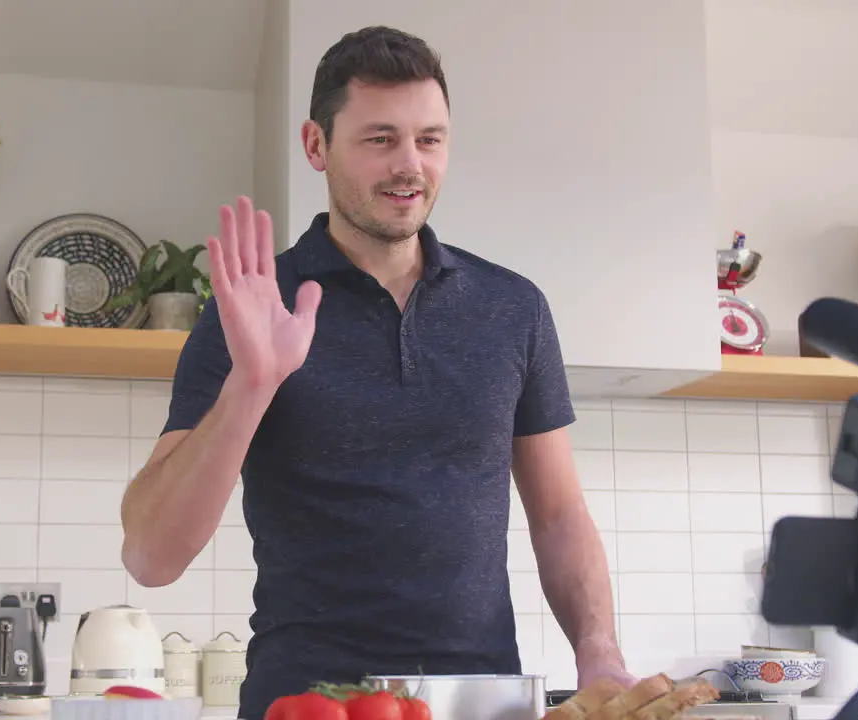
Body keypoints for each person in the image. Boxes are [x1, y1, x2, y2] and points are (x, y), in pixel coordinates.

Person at [120, 25, 634, 720]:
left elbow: (559, 513)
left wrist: (599, 651)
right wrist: (252, 383)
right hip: (307, 703)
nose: (409, 165)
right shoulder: (251, 309)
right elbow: (151, 557)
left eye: (430, 139)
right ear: (316, 145)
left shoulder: (513, 308)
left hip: (480, 705)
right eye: (379, 139)